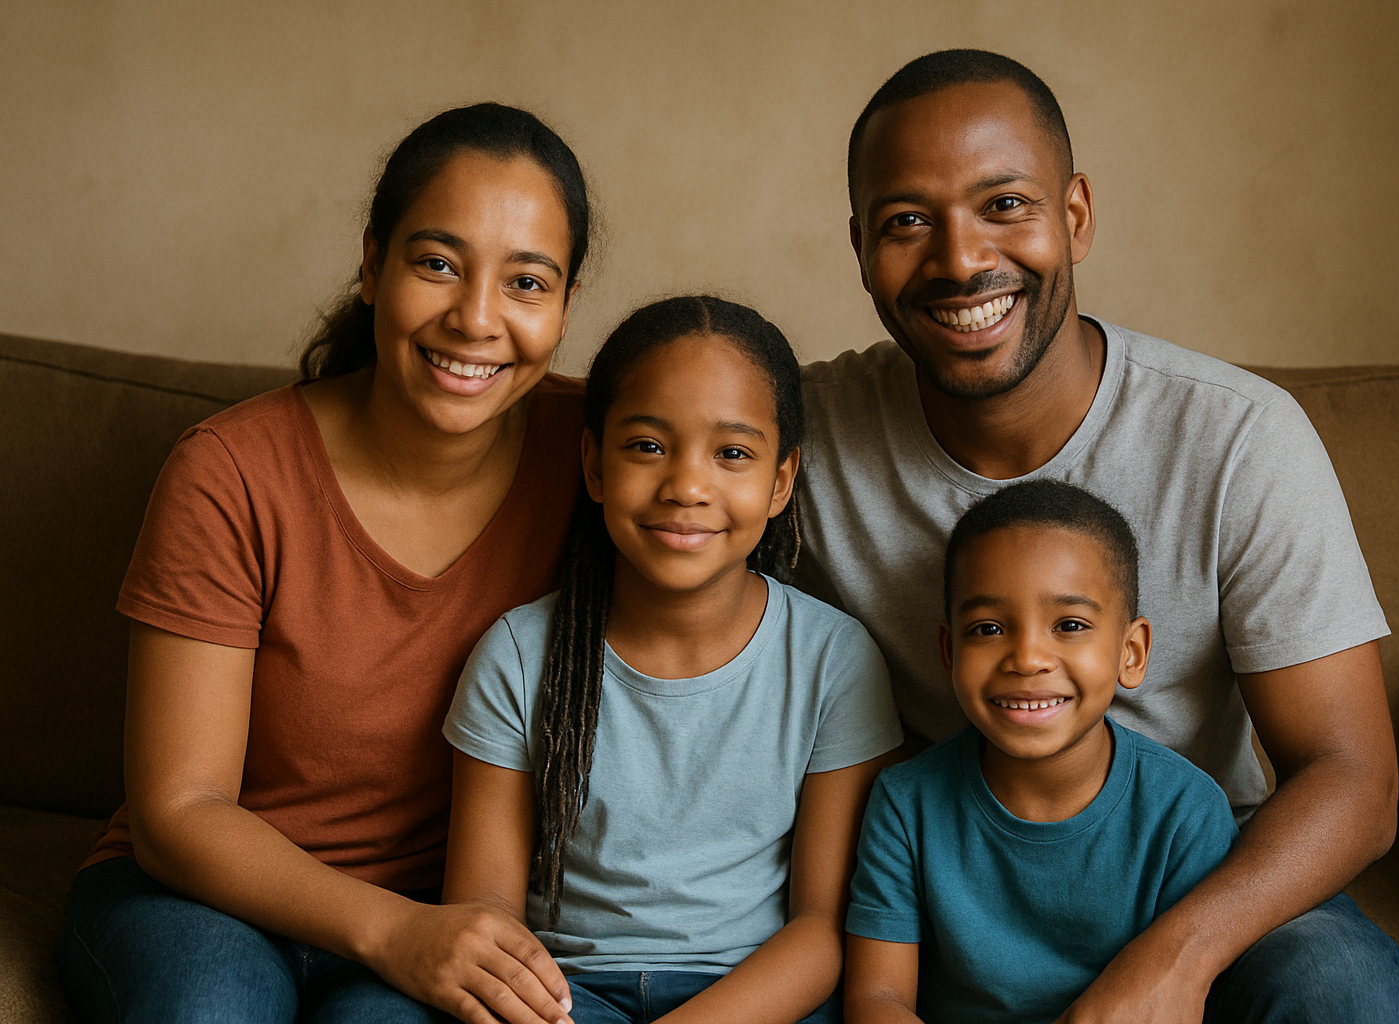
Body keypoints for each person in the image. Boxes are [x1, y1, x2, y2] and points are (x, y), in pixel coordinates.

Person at [796, 49, 1399, 1021]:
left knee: (1343, 990)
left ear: (1077, 215)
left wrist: (1173, 962)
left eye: (1005, 204)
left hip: (1198, 880)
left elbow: (1354, 778)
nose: (962, 259)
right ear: (859, 249)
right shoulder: (793, 440)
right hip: (944, 891)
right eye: (906, 222)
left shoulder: (1237, 437)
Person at [57, 103, 595, 1024]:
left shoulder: (600, 457)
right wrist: (394, 932)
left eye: (527, 282)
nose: (475, 318)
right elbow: (179, 808)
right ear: (371, 265)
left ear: (564, 309)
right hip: (201, 898)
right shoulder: (229, 469)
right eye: (437, 263)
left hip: (441, 920)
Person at [441, 295, 905, 1024]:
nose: (687, 486)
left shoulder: (834, 661)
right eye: (648, 446)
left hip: (755, 1000)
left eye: (733, 454)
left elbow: (821, 931)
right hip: (564, 996)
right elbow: (484, 915)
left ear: (782, 481)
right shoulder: (518, 656)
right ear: (593, 465)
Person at [842, 479, 1237, 1024]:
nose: (1027, 658)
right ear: (948, 651)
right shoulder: (905, 804)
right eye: (988, 628)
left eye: (1070, 625)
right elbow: (876, 1000)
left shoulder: (1185, 813)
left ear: (1132, 652)